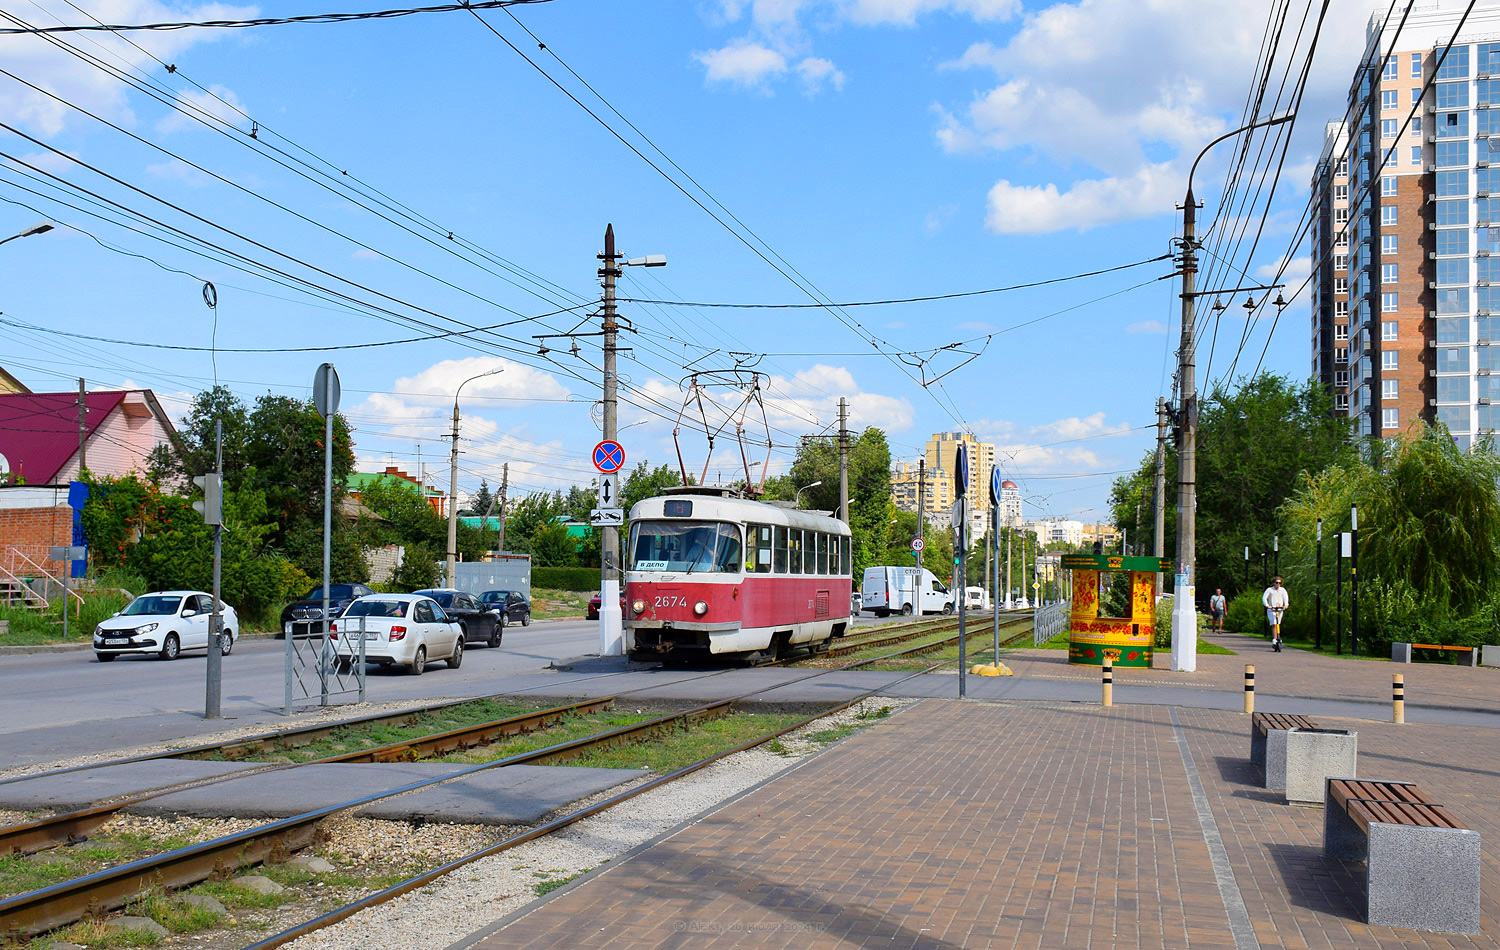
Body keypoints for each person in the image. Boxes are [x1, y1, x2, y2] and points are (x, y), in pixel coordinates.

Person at [1262, 576, 1289, 652]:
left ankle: (1278, 638)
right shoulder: (1270, 590)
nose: (1278, 584)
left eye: (1279, 583)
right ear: (1274, 583)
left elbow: (1285, 597)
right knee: (1274, 623)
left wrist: (1286, 604)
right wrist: (1267, 605)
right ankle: (1274, 639)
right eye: (1276, 583)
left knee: (1278, 623)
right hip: (1272, 609)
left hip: (1280, 609)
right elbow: (1264, 598)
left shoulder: (1282, 590)